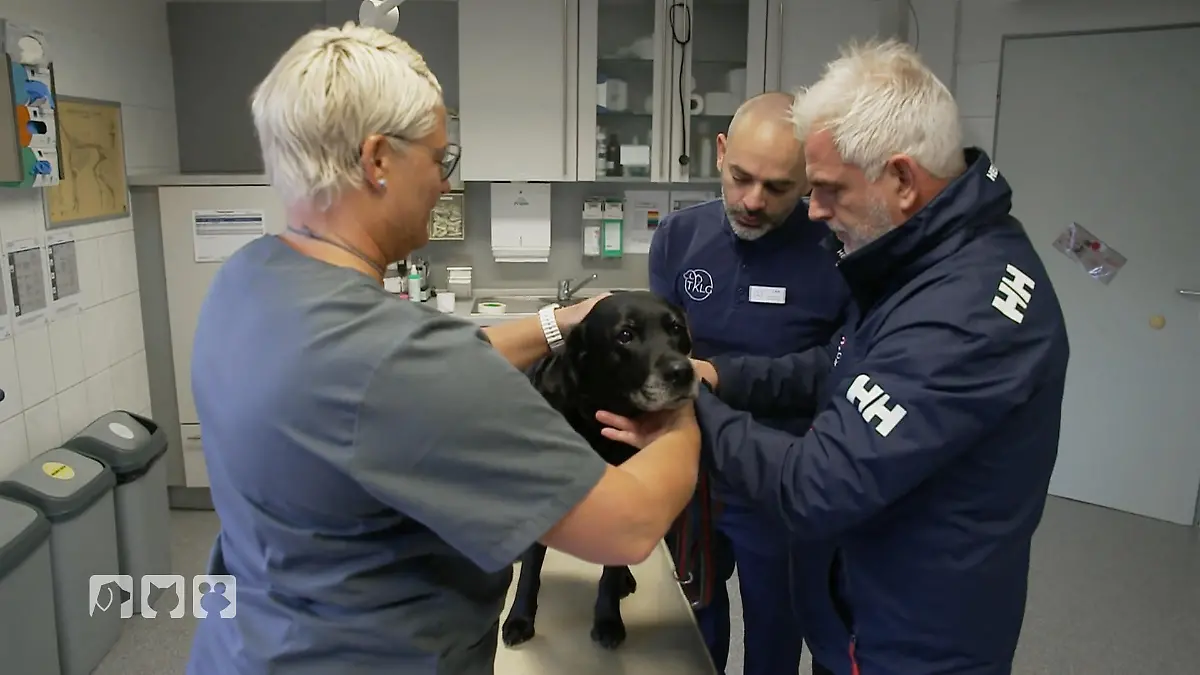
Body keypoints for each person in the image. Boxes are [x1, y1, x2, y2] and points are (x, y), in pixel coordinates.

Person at [186, 23, 701, 675]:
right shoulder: (399, 363)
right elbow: (627, 526)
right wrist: (682, 406)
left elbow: (425, 364)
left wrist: (559, 321)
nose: (442, 182)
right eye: (439, 159)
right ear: (378, 161)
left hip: (248, 646)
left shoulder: (248, 278)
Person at [601, 40, 1070, 675]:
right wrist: (722, 377)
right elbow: (838, 364)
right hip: (862, 593)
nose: (814, 212)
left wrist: (690, 406)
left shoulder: (962, 310)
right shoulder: (927, 262)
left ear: (902, 179)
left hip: (912, 633)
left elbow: (816, 485)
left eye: (824, 190)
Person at [648, 91, 848, 675]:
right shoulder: (678, 239)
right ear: (719, 153)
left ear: (809, 178)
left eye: (779, 187)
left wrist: (727, 378)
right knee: (689, 624)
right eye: (741, 178)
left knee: (775, 631)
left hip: (779, 477)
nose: (753, 201)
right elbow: (663, 351)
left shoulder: (837, 249)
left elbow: (837, 367)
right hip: (690, 467)